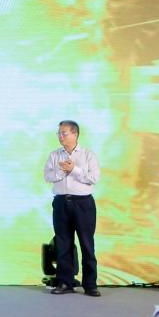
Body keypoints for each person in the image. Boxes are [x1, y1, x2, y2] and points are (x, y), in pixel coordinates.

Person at [44, 120, 101, 297]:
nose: (60, 136)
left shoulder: (88, 155)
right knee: (63, 243)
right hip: (61, 203)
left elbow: (93, 178)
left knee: (86, 243)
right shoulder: (54, 155)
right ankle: (65, 282)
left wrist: (74, 169)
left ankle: (90, 284)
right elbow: (47, 176)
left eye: (64, 133)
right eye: (59, 133)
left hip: (83, 203)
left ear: (75, 134)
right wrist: (62, 172)